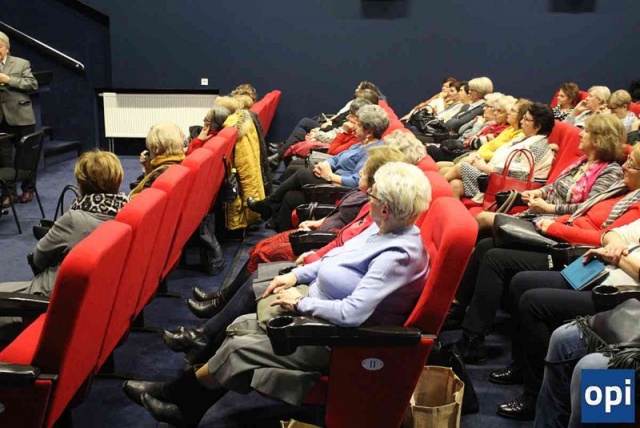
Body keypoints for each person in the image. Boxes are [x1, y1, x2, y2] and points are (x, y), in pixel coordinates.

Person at [123, 162, 432, 427]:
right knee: (240, 328)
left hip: (338, 341)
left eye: (373, 195)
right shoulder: (381, 228)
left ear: (386, 208)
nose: (368, 197)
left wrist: (301, 303)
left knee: (240, 347)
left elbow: (352, 314)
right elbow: (331, 259)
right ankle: (187, 406)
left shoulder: (397, 256)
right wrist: (296, 276)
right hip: (318, 311)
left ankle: (176, 394)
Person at [449, 143, 640, 365]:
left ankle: (476, 341)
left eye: (631, 164)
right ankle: (463, 320)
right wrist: (553, 218)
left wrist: (554, 225)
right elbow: (608, 233)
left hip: (582, 256)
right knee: (487, 247)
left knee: (499, 262)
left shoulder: (630, 197)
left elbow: (600, 238)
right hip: (580, 246)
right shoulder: (620, 189)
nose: (624, 165)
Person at [186, 145, 407, 318]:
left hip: (318, 248)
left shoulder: (378, 219)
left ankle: (221, 305)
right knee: (262, 245)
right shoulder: (370, 206)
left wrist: (312, 257)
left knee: (264, 255)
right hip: (321, 245)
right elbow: (342, 226)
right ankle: (223, 298)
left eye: (364, 171)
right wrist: (319, 222)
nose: (359, 172)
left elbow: (344, 245)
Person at [489, 218, 640, 422]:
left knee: (591, 365)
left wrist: (617, 257)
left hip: (623, 298)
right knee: (524, 287)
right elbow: (612, 233)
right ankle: (532, 388)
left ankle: (534, 395)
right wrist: (616, 245)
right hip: (603, 272)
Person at [0, 150, 127, 297]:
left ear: (81, 183)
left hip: (53, 296)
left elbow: (38, 259)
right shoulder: (125, 212)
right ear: (118, 179)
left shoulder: (74, 220)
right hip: (98, 292)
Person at [248, 104, 389, 232]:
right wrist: (325, 165)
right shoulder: (361, 143)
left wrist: (330, 176)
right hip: (331, 178)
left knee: (302, 173)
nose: (354, 127)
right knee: (291, 196)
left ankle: (268, 205)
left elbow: (357, 182)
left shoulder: (372, 152)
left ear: (369, 132)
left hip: (341, 190)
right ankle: (277, 225)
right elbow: (336, 158)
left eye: (358, 125)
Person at [475, 114, 625, 230]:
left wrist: (549, 208)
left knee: (483, 218)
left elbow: (588, 208)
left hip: (555, 223)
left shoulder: (610, 171)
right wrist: (539, 192)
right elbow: (554, 186)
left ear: (600, 139)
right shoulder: (582, 162)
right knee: (485, 241)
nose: (580, 134)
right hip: (539, 213)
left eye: (586, 131)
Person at [444, 102, 556, 200]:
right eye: (523, 117)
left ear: (538, 127)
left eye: (526, 119)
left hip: (512, 189)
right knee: (456, 185)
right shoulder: (524, 138)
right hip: (498, 178)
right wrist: (480, 160)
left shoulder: (536, 147)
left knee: (461, 167)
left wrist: (483, 167)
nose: (521, 121)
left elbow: (518, 175)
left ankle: (436, 188)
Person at [0, 31, 39, 208]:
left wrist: (9, 79)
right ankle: (9, 193)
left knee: (26, 157)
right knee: (4, 159)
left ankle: (28, 189)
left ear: (6, 48)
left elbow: (32, 84)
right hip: (2, 120)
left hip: (21, 116)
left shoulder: (21, 63)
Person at [130, 122, 186, 199]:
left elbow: (137, 201)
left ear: (155, 149)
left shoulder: (158, 175)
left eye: (150, 148)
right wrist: (147, 167)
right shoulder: (181, 164)